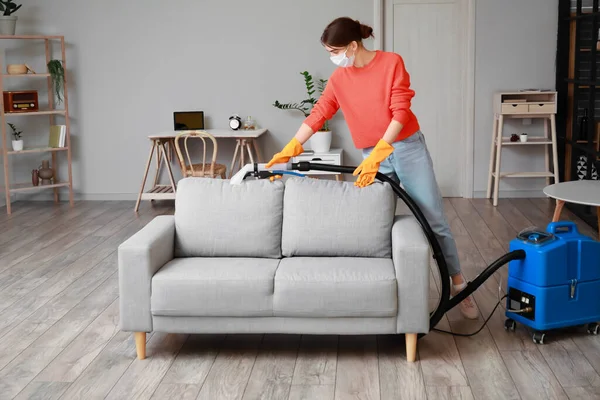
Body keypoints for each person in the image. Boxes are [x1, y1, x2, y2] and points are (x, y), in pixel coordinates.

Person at [265, 17, 478, 319]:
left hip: (405, 148)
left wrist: (382, 150)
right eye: (328, 52)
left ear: (353, 45)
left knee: (433, 218)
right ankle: (385, 286)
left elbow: (401, 111)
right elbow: (319, 112)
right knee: (369, 220)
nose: (332, 58)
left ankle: (458, 285)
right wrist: (291, 147)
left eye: (335, 51)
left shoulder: (391, 63)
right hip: (371, 155)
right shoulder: (340, 80)